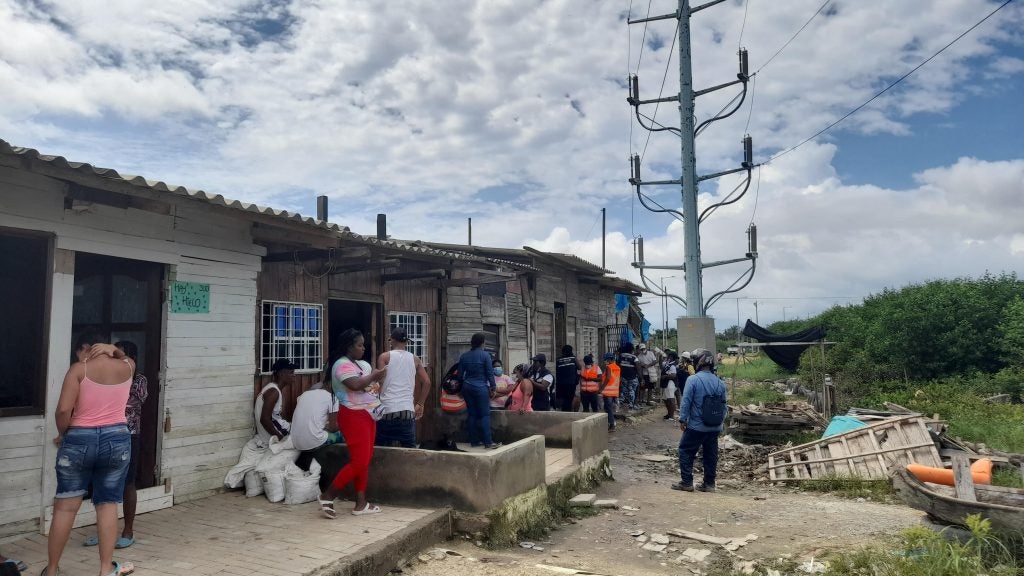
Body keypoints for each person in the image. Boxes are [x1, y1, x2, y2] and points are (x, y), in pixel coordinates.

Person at [45, 332, 135, 576]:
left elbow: (63, 411)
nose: (78, 355)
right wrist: (114, 350)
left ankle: (52, 570)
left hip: (80, 437)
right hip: (117, 438)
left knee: (65, 507)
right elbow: (126, 357)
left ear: (87, 347)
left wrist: (65, 434)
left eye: (79, 350)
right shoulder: (127, 366)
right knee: (107, 505)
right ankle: (106, 569)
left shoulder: (78, 370)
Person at [83, 340, 148, 550]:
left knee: (128, 483)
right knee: (101, 483)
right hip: (104, 435)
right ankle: (103, 531)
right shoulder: (104, 379)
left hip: (129, 436)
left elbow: (134, 401)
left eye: (118, 357)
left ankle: (128, 530)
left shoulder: (139, 380)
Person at [318, 329, 387, 519]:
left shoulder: (362, 364)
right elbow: (356, 385)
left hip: (368, 415)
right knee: (359, 461)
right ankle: (328, 495)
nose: (363, 348)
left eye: (363, 344)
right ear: (349, 346)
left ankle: (361, 503)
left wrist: (373, 378)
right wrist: (374, 376)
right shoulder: (341, 365)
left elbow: (372, 387)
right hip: (353, 415)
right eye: (359, 345)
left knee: (363, 460)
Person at [673, 348, 728, 493]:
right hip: (714, 427)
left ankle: (687, 482)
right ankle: (709, 484)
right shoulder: (720, 382)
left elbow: (686, 401)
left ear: (698, 362)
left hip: (696, 426)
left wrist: (683, 420)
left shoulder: (693, 380)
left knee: (685, 451)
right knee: (710, 455)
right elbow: (724, 406)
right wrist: (720, 424)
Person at [375, 328, 431, 448]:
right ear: (406, 342)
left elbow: (380, 381)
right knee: (410, 452)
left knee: (381, 451)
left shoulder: (384, 357)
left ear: (392, 341)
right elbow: (427, 382)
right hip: (407, 411)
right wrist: (420, 404)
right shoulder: (415, 359)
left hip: (387, 410)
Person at [291, 371, 341, 471]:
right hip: (314, 441)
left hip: (295, 440)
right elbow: (333, 428)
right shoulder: (332, 398)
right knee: (342, 434)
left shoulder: (306, 393)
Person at [458, 333, 501, 449]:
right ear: (482, 343)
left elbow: (460, 376)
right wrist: (493, 388)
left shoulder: (464, 356)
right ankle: (488, 442)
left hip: (467, 387)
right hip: (480, 387)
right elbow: (490, 373)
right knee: (484, 415)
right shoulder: (485, 355)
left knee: (472, 414)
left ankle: (474, 441)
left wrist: (460, 389)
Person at [256, 358, 296, 444]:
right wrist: (281, 439)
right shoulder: (273, 392)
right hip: (273, 435)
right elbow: (264, 419)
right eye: (291, 372)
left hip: (278, 428)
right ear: (281, 374)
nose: (294, 375)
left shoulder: (273, 388)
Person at [554, 345, 583, 412]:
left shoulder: (558, 360)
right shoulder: (573, 358)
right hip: (571, 384)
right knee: (569, 399)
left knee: (562, 399)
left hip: (560, 384)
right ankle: (568, 412)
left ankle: (563, 411)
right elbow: (579, 367)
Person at [598, 352, 620, 431]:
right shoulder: (617, 367)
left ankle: (612, 424)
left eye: (605, 359)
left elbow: (608, 378)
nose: (605, 361)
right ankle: (611, 423)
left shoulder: (608, 367)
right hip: (615, 391)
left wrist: (601, 389)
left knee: (608, 408)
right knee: (610, 408)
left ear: (609, 359)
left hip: (608, 392)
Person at [617, 343, 640, 410]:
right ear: (632, 349)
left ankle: (621, 405)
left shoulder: (621, 356)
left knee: (623, 391)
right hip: (632, 377)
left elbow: (618, 366)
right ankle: (630, 405)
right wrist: (640, 377)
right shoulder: (634, 357)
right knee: (632, 391)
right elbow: (638, 368)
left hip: (623, 377)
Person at [660, 350, 679, 421]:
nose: (666, 356)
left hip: (670, 383)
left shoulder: (672, 365)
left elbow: (673, 375)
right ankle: (669, 414)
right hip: (667, 384)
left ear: (671, 357)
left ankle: (672, 416)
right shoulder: (668, 363)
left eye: (668, 355)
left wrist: (665, 376)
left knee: (671, 400)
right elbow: (661, 365)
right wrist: (660, 357)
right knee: (665, 399)